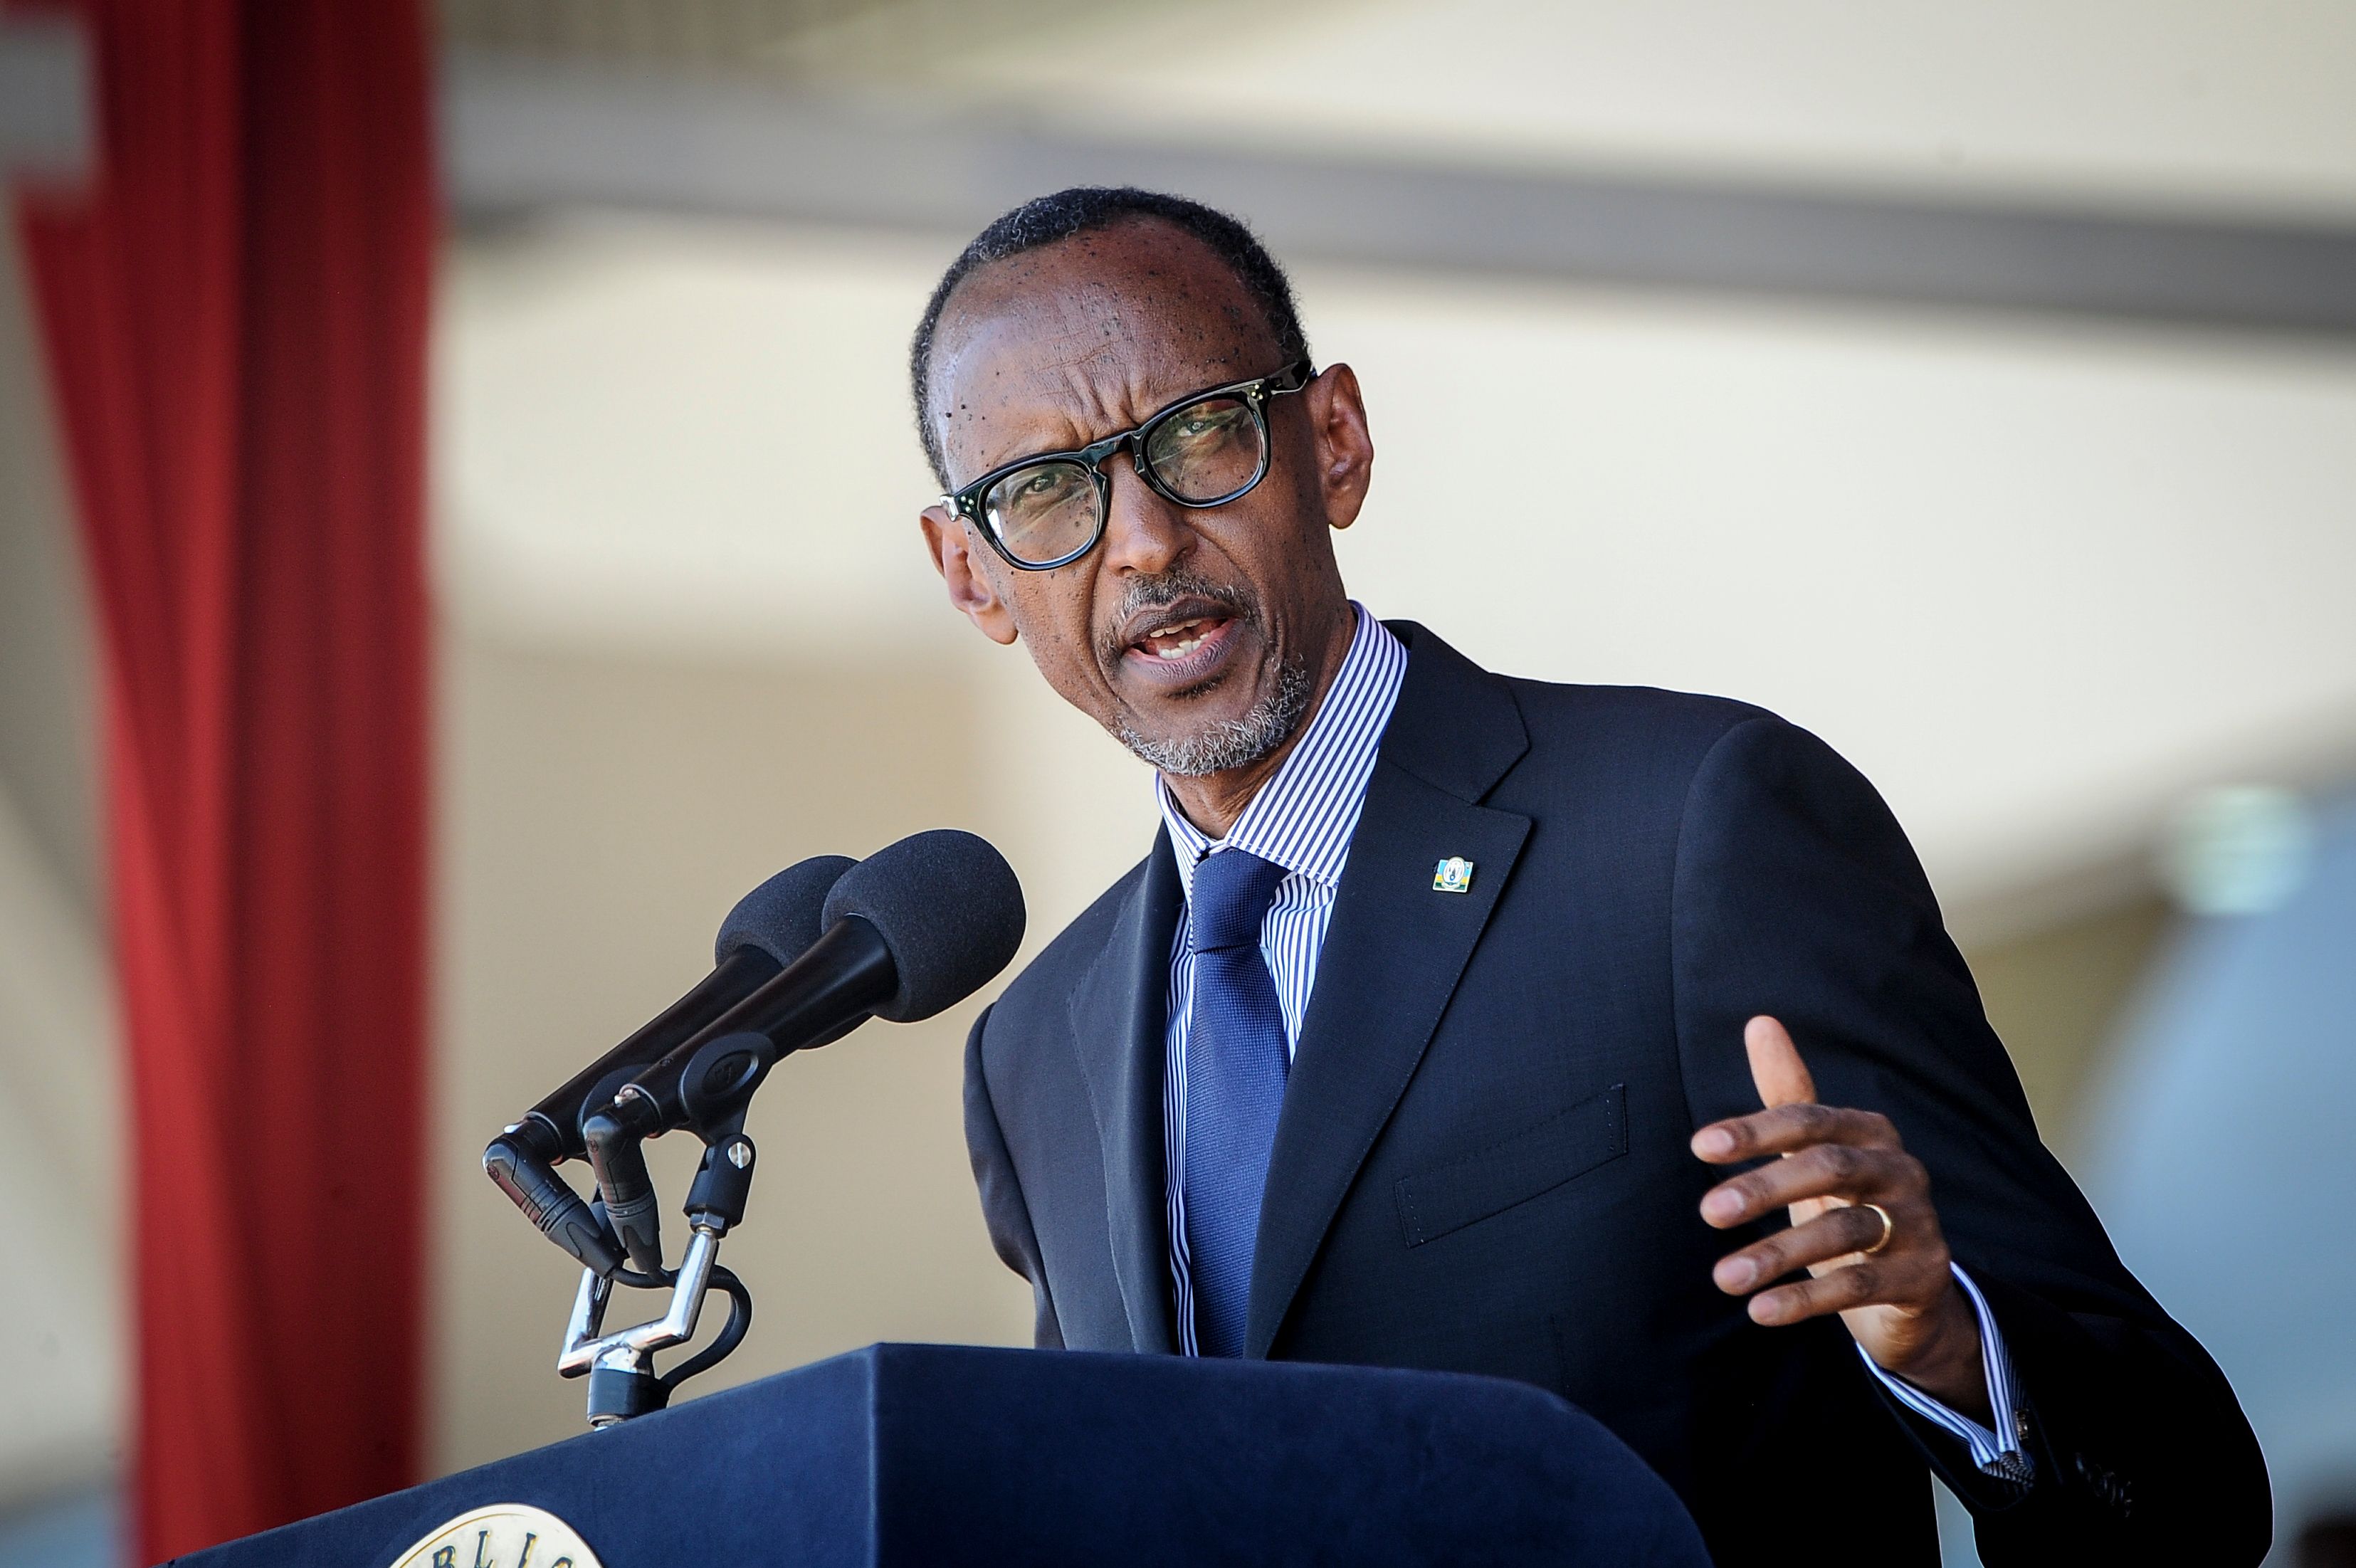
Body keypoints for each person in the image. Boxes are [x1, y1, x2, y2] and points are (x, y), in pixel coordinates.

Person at [913, 186, 2269, 1564]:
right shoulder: (1038, 1052)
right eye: (1045, 490)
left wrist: (1947, 1345)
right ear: (968, 575)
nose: (1141, 539)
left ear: (1331, 442)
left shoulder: (1692, 824)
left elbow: (2180, 1497)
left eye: (1197, 433)